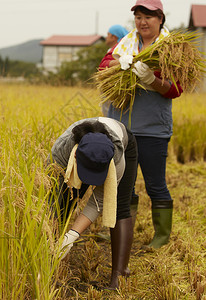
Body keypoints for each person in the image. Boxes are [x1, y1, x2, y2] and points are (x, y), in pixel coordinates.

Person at [107, 0, 183, 248]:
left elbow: (176, 89)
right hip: (123, 128)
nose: (142, 22)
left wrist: (152, 80)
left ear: (160, 18)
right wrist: (121, 62)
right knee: (123, 185)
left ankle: (161, 236)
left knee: (155, 184)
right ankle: (122, 232)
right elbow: (103, 66)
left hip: (153, 130)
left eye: (148, 17)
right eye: (138, 16)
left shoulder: (172, 48)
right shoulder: (126, 43)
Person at [50, 117, 138, 290]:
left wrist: (72, 236)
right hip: (75, 157)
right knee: (64, 198)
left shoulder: (117, 158)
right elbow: (52, 196)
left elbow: (99, 201)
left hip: (125, 142)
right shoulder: (60, 151)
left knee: (119, 206)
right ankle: (51, 260)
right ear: (75, 155)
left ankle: (119, 276)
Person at [99, 25, 129, 116]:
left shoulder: (120, 50)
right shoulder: (111, 50)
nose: (106, 37)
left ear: (114, 37)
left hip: (115, 91)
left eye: (108, 34)